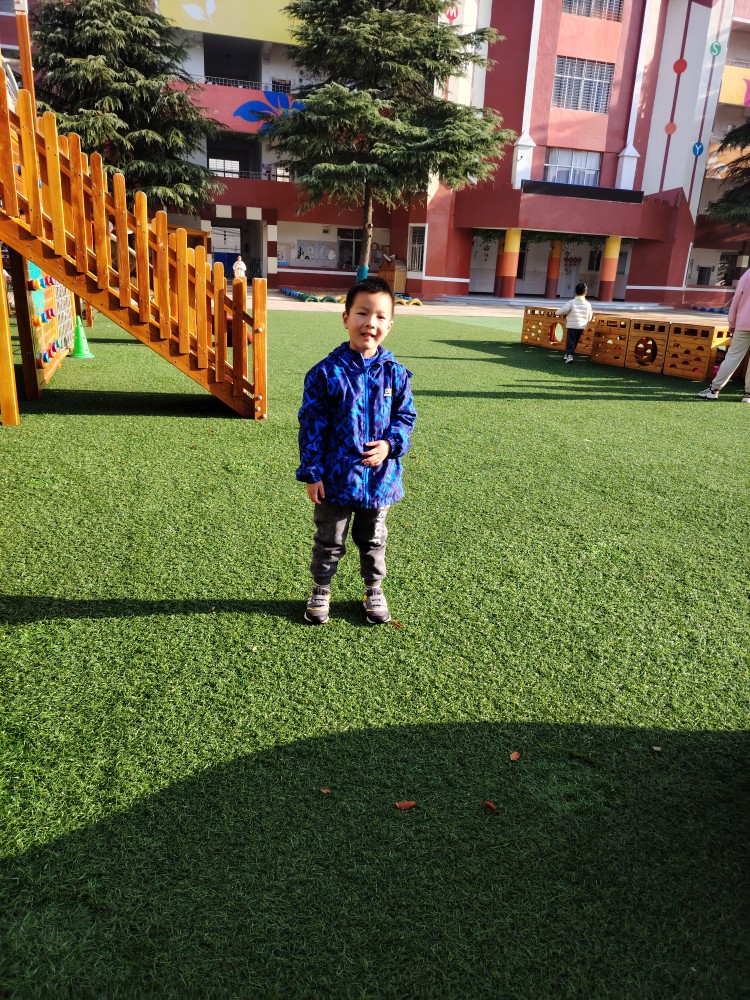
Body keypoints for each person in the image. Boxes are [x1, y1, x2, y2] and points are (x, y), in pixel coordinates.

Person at [296, 276, 417, 625]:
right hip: (335, 481)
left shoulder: (396, 375)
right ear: (346, 317)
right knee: (329, 539)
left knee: (373, 539)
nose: (370, 323)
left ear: (389, 325)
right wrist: (313, 473)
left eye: (380, 317)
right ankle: (321, 589)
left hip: (379, 480)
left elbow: (405, 417)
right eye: (362, 313)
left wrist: (389, 444)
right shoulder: (325, 373)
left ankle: (373, 589)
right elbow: (312, 426)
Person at [697, 266, 750, 402]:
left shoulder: (748, 274)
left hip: (744, 323)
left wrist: (732, 322)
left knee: (732, 357)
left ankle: (714, 390)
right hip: (743, 323)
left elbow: (737, 297)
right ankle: (748, 395)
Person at [556, 281, 593, 363]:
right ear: (585, 293)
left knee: (570, 340)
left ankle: (569, 355)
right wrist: (586, 321)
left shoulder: (571, 302)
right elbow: (589, 316)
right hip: (581, 326)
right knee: (575, 341)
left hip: (572, 325)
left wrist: (556, 312)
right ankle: (568, 354)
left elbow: (563, 310)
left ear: (576, 292)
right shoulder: (588, 304)